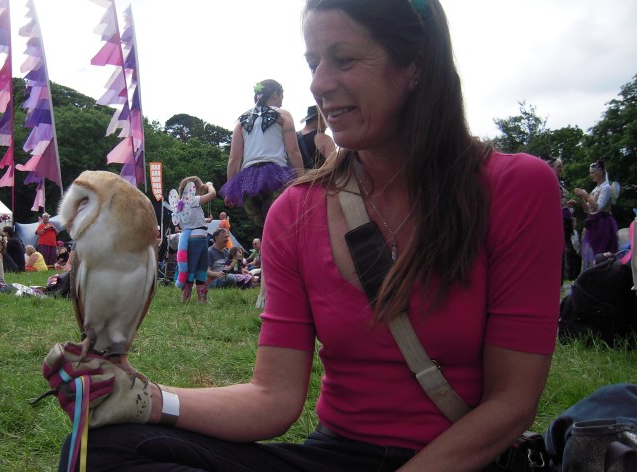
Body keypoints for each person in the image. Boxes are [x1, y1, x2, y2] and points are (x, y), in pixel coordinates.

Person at [65, 1, 563, 471]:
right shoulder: (295, 210)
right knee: (106, 449)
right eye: (313, 63)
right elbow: (273, 398)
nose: (320, 83)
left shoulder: (514, 186)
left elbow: (511, 402)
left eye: (344, 59)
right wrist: (145, 400)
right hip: (335, 456)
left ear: (415, 64)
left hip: (463, 458)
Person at [220, 79, 304, 229]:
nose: (282, 102)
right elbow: (293, 151)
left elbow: (234, 159)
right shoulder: (283, 114)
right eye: (282, 97)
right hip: (276, 177)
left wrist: (230, 191)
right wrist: (302, 180)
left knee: (262, 232)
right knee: (281, 229)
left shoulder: (241, 120)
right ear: (275, 94)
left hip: (248, 181)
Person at [174, 176, 217, 302]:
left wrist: (206, 220)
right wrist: (209, 185)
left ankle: (188, 295)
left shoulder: (180, 203)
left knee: (192, 266)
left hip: (192, 238)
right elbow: (213, 194)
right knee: (200, 267)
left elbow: (190, 220)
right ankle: (198, 296)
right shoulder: (193, 199)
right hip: (199, 239)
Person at [574, 159, 619, 271]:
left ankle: (600, 273)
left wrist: (586, 195)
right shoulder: (596, 189)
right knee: (591, 251)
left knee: (600, 250)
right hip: (594, 222)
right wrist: (581, 198)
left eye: (593, 172)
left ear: (601, 172)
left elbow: (598, 207)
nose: (591, 175)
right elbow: (587, 209)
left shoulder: (606, 187)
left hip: (603, 223)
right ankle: (591, 273)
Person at [547, 158, 580, 280]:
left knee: (564, 248)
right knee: (558, 248)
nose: (561, 169)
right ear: (551, 168)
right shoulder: (549, 182)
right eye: (558, 166)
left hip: (564, 220)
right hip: (556, 220)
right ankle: (556, 277)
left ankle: (562, 277)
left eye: (561, 166)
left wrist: (568, 206)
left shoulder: (559, 184)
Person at [297, 104, 337, 169]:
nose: (327, 125)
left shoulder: (293, 137)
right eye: (325, 119)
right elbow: (334, 165)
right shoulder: (324, 138)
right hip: (321, 175)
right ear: (319, 119)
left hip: (296, 175)